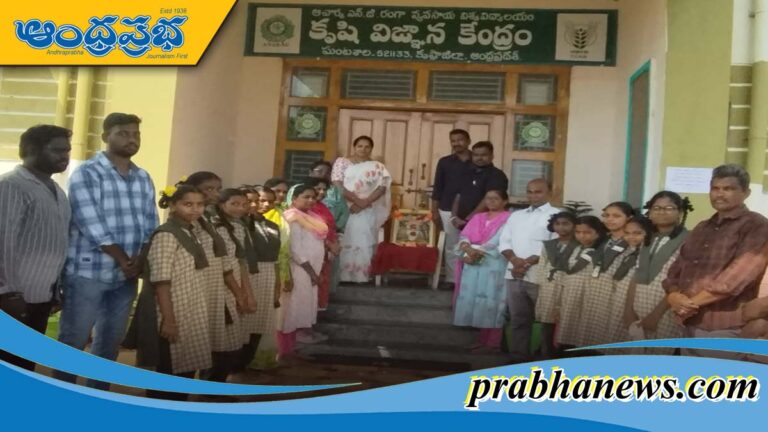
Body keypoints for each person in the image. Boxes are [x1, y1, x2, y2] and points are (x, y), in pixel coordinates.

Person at [56, 113, 158, 389]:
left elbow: (151, 223)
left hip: (126, 276)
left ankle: (97, 395)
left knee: (110, 343)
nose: (131, 139)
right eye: (123, 133)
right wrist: (124, 259)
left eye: (136, 134)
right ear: (105, 137)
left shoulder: (142, 177)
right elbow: (90, 222)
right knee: (73, 340)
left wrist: (141, 258)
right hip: (88, 272)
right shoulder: (87, 173)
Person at [665, 164, 768, 360]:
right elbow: (676, 270)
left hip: (724, 326)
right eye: (715, 188)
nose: (720, 194)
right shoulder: (702, 227)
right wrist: (673, 296)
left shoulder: (756, 225)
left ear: (746, 193)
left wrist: (688, 305)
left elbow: (736, 279)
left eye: (728, 189)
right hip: (688, 324)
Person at [0, 125, 72, 371]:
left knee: (24, 365)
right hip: (12, 298)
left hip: (41, 297)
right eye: (57, 150)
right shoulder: (11, 185)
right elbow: (3, 240)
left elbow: (58, 243)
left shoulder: (58, 191)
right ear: (31, 150)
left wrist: (55, 290)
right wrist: (7, 292)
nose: (64, 156)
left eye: (67, 150)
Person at [131, 184, 211, 401]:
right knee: (168, 367)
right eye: (188, 204)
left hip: (190, 306)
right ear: (174, 205)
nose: (195, 209)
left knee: (185, 366)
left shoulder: (190, 231)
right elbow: (161, 280)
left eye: (200, 205)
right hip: (171, 307)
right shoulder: (167, 234)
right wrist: (169, 319)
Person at [185, 173, 253, 383]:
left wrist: (243, 292)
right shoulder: (193, 223)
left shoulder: (212, 221)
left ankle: (212, 387)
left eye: (218, 188)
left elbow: (232, 260)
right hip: (205, 287)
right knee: (203, 344)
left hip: (222, 285)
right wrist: (240, 293)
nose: (215, 193)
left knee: (225, 342)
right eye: (209, 189)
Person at [498, 178, 559, 361]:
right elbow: (504, 241)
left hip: (540, 275)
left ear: (549, 192)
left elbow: (555, 245)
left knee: (546, 320)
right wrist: (514, 260)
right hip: (514, 274)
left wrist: (525, 263)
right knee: (518, 319)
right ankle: (519, 357)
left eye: (538, 191)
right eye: (530, 191)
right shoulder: (516, 215)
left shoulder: (557, 215)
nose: (533, 195)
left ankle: (545, 358)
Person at [624, 192, 692, 354]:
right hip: (640, 310)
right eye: (657, 208)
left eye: (669, 208)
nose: (662, 212)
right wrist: (628, 310)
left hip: (666, 313)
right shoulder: (648, 239)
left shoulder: (689, 240)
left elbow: (682, 282)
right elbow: (637, 275)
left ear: (680, 212)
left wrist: (656, 315)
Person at [452, 190, 511, 353]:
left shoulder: (509, 218)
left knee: (493, 302)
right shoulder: (478, 217)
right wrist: (467, 249)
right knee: (478, 302)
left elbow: (500, 240)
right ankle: (482, 340)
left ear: (505, 201)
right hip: (473, 263)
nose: (491, 201)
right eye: (488, 198)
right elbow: (464, 236)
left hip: (494, 264)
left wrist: (477, 251)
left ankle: (493, 343)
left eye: (495, 198)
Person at [276, 185, 328, 364]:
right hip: (298, 270)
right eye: (306, 197)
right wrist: (312, 273)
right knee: (290, 312)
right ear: (294, 199)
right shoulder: (292, 218)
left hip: (310, 271)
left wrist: (317, 272)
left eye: (313, 197)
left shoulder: (313, 217)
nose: (311, 200)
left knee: (298, 312)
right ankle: (283, 352)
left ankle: (291, 350)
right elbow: (295, 250)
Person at [213, 188, 259, 381]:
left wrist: (247, 293)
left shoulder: (239, 227)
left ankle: (218, 382)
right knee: (219, 340)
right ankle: (210, 385)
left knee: (233, 340)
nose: (240, 208)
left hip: (236, 283)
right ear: (221, 205)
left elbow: (241, 262)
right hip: (219, 285)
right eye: (234, 204)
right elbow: (224, 265)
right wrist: (239, 295)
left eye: (244, 204)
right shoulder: (214, 227)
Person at [331, 136, 392, 283]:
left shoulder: (377, 166)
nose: (363, 149)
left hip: (367, 208)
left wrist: (364, 203)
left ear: (371, 149)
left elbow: (382, 187)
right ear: (354, 147)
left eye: (367, 147)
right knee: (345, 239)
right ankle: (343, 276)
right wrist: (356, 201)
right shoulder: (342, 162)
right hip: (346, 207)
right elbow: (338, 184)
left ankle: (360, 276)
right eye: (360, 146)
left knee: (363, 240)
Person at [578, 202, 635, 348]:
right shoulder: (603, 241)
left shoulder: (632, 243)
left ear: (629, 218)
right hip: (597, 294)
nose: (610, 219)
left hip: (618, 297)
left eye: (616, 216)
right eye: (606, 215)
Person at [240, 186, 282, 369]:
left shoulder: (272, 225)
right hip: (247, 274)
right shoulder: (240, 225)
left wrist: (277, 284)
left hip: (268, 274)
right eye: (259, 200)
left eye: (268, 201)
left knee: (260, 321)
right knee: (244, 322)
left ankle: (246, 362)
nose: (262, 205)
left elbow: (276, 258)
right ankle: (234, 365)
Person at [600, 215, 652, 352]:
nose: (631, 237)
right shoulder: (628, 250)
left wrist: (630, 309)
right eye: (627, 233)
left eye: (637, 233)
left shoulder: (648, 254)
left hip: (635, 303)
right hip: (619, 300)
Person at [555, 216, 608, 349]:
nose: (582, 236)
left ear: (598, 233)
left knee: (586, 331)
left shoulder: (603, 250)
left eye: (587, 232)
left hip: (591, 297)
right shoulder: (574, 248)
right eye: (578, 232)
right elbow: (564, 274)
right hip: (571, 295)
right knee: (568, 329)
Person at [431, 129, 473, 289]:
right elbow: (438, 187)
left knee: (472, 245)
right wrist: (434, 211)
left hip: (472, 210)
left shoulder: (477, 160)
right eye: (453, 140)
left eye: (460, 140)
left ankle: (469, 279)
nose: (456, 143)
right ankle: (452, 279)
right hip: (447, 208)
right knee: (451, 245)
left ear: (468, 141)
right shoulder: (445, 162)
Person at [534, 211, 578, 359]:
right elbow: (542, 267)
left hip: (570, 287)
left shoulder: (580, 245)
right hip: (549, 287)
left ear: (574, 225)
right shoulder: (549, 245)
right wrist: (542, 285)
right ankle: (546, 354)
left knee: (568, 321)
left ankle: (566, 355)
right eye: (557, 224)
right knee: (548, 322)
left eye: (566, 224)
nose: (561, 227)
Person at [309, 161, 348, 297]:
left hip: (331, 237)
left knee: (327, 275)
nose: (323, 175)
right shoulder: (300, 190)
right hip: (311, 240)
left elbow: (344, 212)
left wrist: (335, 232)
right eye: (319, 171)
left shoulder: (334, 192)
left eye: (327, 173)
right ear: (310, 172)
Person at [451, 141, 508, 230]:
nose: (479, 158)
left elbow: (489, 200)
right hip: (460, 223)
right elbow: (458, 195)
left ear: (492, 156)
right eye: (476, 155)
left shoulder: (497, 175)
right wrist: (454, 216)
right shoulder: (467, 172)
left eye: (484, 155)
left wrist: (468, 219)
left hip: (484, 224)